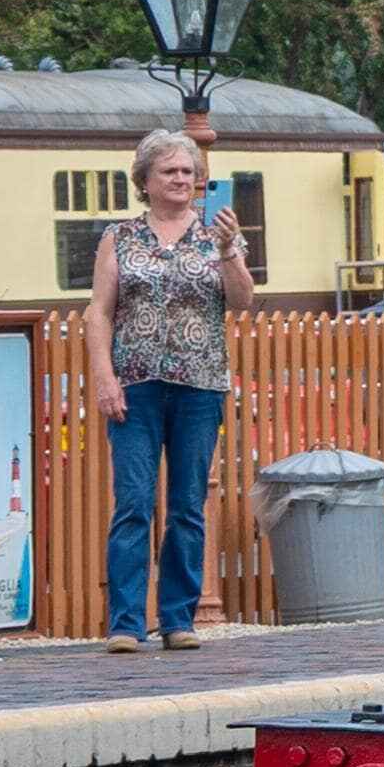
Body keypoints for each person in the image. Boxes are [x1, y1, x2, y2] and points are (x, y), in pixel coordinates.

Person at [83, 122, 246, 648]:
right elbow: (98, 312)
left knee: (187, 505)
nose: (181, 179)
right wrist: (105, 378)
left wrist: (229, 249)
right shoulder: (120, 237)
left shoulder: (218, 233)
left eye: (188, 171)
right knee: (133, 502)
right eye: (169, 171)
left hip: (200, 384)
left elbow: (242, 300)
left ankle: (178, 619)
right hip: (136, 385)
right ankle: (126, 623)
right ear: (145, 180)